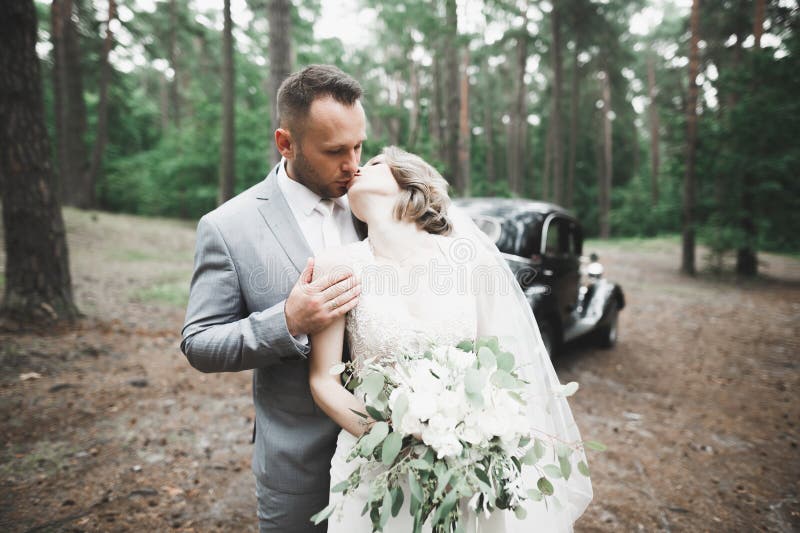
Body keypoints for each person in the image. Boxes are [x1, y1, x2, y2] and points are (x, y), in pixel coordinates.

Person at [308, 146, 594, 531]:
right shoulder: (335, 265)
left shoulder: (470, 262)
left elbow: (499, 366)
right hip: (373, 467)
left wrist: (476, 433)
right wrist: (391, 439)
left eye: (374, 163)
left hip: (464, 465)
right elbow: (323, 379)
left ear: (409, 181)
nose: (358, 166)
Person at [181, 64, 370, 532]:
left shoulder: (377, 202)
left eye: (358, 146)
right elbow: (199, 343)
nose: (353, 165)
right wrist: (286, 321)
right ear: (286, 143)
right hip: (298, 464)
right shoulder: (227, 227)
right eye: (335, 152)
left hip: (389, 458)